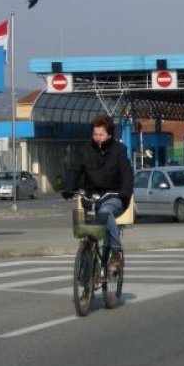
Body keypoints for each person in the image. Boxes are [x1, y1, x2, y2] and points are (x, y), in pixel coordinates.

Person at [63, 114, 134, 270]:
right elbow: (74, 170)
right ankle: (86, 282)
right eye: (95, 134)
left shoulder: (119, 150)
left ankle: (116, 252)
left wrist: (126, 190)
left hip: (114, 196)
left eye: (101, 134)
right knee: (89, 238)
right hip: (91, 196)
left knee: (106, 211)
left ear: (109, 134)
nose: (98, 138)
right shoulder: (85, 150)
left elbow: (126, 172)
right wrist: (68, 187)